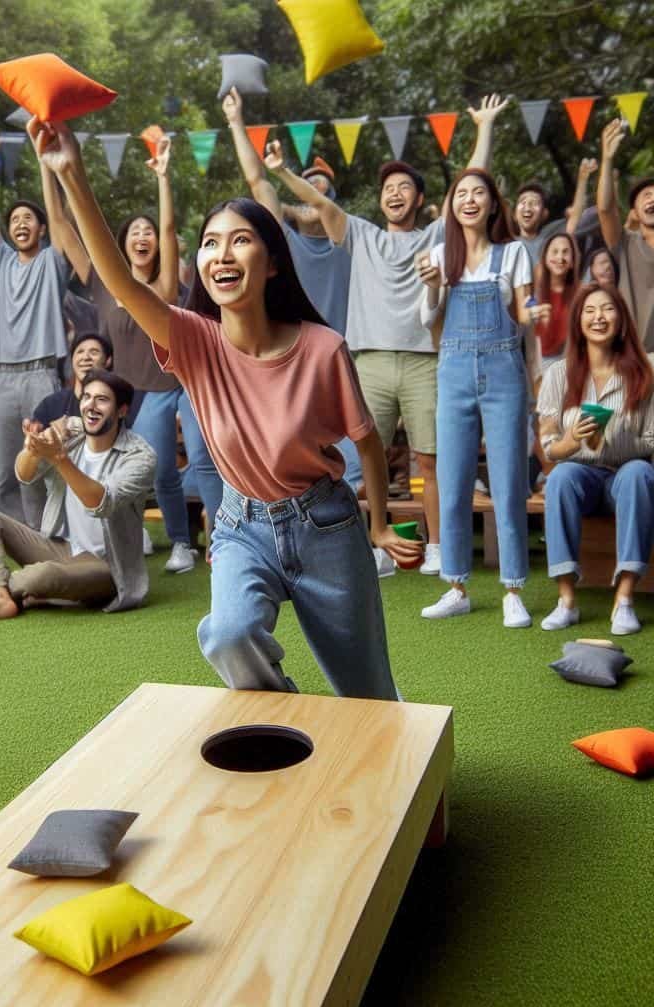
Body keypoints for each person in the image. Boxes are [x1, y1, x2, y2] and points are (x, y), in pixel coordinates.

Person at [31, 118, 420, 696]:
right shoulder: (193, 341)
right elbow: (122, 283)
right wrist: (72, 174)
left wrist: (380, 524)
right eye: (211, 242)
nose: (221, 253)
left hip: (326, 526)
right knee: (228, 634)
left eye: (240, 239)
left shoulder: (322, 349)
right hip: (242, 524)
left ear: (273, 262)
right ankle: (288, 724)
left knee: (368, 693)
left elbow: (365, 440)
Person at [266, 95, 510, 577]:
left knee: (430, 459)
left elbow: (471, 184)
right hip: (370, 362)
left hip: (423, 361)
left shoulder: (437, 236)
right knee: (360, 460)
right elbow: (316, 202)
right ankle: (374, 544)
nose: (395, 194)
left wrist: (483, 127)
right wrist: (280, 172)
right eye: (388, 189)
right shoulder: (359, 233)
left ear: (419, 199)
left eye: (404, 188)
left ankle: (438, 548)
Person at [65, 135, 222, 573]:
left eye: (148, 231)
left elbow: (171, 232)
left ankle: (226, 541)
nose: (143, 236)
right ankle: (180, 543)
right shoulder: (107, 283)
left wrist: (164, 177)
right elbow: (65, 230)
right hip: (144, 392)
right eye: (135, 231)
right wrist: (55, 167)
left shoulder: (164, 286)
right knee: (159, 470)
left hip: (187, 380)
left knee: (205, 457)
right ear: (122, 243)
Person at [222, 89, 366, 501]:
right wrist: (236, 120)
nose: (311, 194)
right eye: (304, 186)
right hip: (290, 360)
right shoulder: (282, 241)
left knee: (352, 458)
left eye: (319, 190)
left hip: (340, 360)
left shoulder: (347, 243)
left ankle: (360, 538)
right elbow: (257, 181)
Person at [417, 169, 534, 626]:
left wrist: (536, 312)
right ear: (452, 205)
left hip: (505, 370)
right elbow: (428, 318)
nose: (469, 200)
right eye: (461, 193)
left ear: (492, 203)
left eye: (478, 192)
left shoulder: (514, 253)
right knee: (453, 479)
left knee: (507, 483)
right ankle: (456, 586)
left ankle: (513, 589)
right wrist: (431, 282)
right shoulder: (441, 254)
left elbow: (524, 313)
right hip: (454, 372)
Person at [0, 368, 157, 621]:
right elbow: (24, 475)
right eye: (86, 397)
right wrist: (33, 449)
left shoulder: (140, 457)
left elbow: (101, 503)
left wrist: (59, 458)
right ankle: (1, 596)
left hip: (106, 565)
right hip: (62, 547)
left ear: (122, 411)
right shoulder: (71, 430)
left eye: (102, 400)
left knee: (43, 575)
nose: (91, 405)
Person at [538, 285, 654, 634]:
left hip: (625, 475)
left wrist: (616, 434)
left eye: (607, 309)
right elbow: (548, 447)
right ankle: (567, 599)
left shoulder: (644, 372)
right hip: (583, 475)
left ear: (621, 321)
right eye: (590, 310)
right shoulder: (560, 373)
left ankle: (624, 599)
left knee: (638, 473)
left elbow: (651, 440)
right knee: (560, 476)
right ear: (579, 320)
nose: (599, 317)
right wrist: (571, 441)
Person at [0, 128, 74, 530]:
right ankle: (18, 544)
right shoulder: (0, 261)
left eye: (27, 219)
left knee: (45, 465)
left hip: (40, 374)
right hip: (2, 378)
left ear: (41, 229)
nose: (19, 224)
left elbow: (58, 215)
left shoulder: (52, 262)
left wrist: (43, 161)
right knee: (7, 471)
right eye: (14, 219)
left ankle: (50, 541)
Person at [597, 119, 654, 352]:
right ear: (635, 213)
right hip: (635, 358)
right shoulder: (626, 244)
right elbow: (605, 209)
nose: (652, 199)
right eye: (646, 196)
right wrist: (607, 160)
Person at [513, 158, 593, 267]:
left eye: (534, 202)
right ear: (514, 215)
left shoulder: (551, 236)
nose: (528, 207)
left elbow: (575, 217)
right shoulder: (505, 244)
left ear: (544, 214)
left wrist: (582, 179)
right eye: (523, 202)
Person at [31, 332, 112, 428]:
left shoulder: (120, 403)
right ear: (72, 360)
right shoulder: (51, 405)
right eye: (80, 352)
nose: (86, 357)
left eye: (94, 352)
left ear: (108, 361)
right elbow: (35, 437)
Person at [530, 232, 581, 373]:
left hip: (568, 365)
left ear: (572, 261)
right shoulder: (532, 292)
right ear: (545, 257)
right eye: (555, 251)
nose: (560, 257)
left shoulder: (581, 294)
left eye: (565, 252)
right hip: (536, 364)